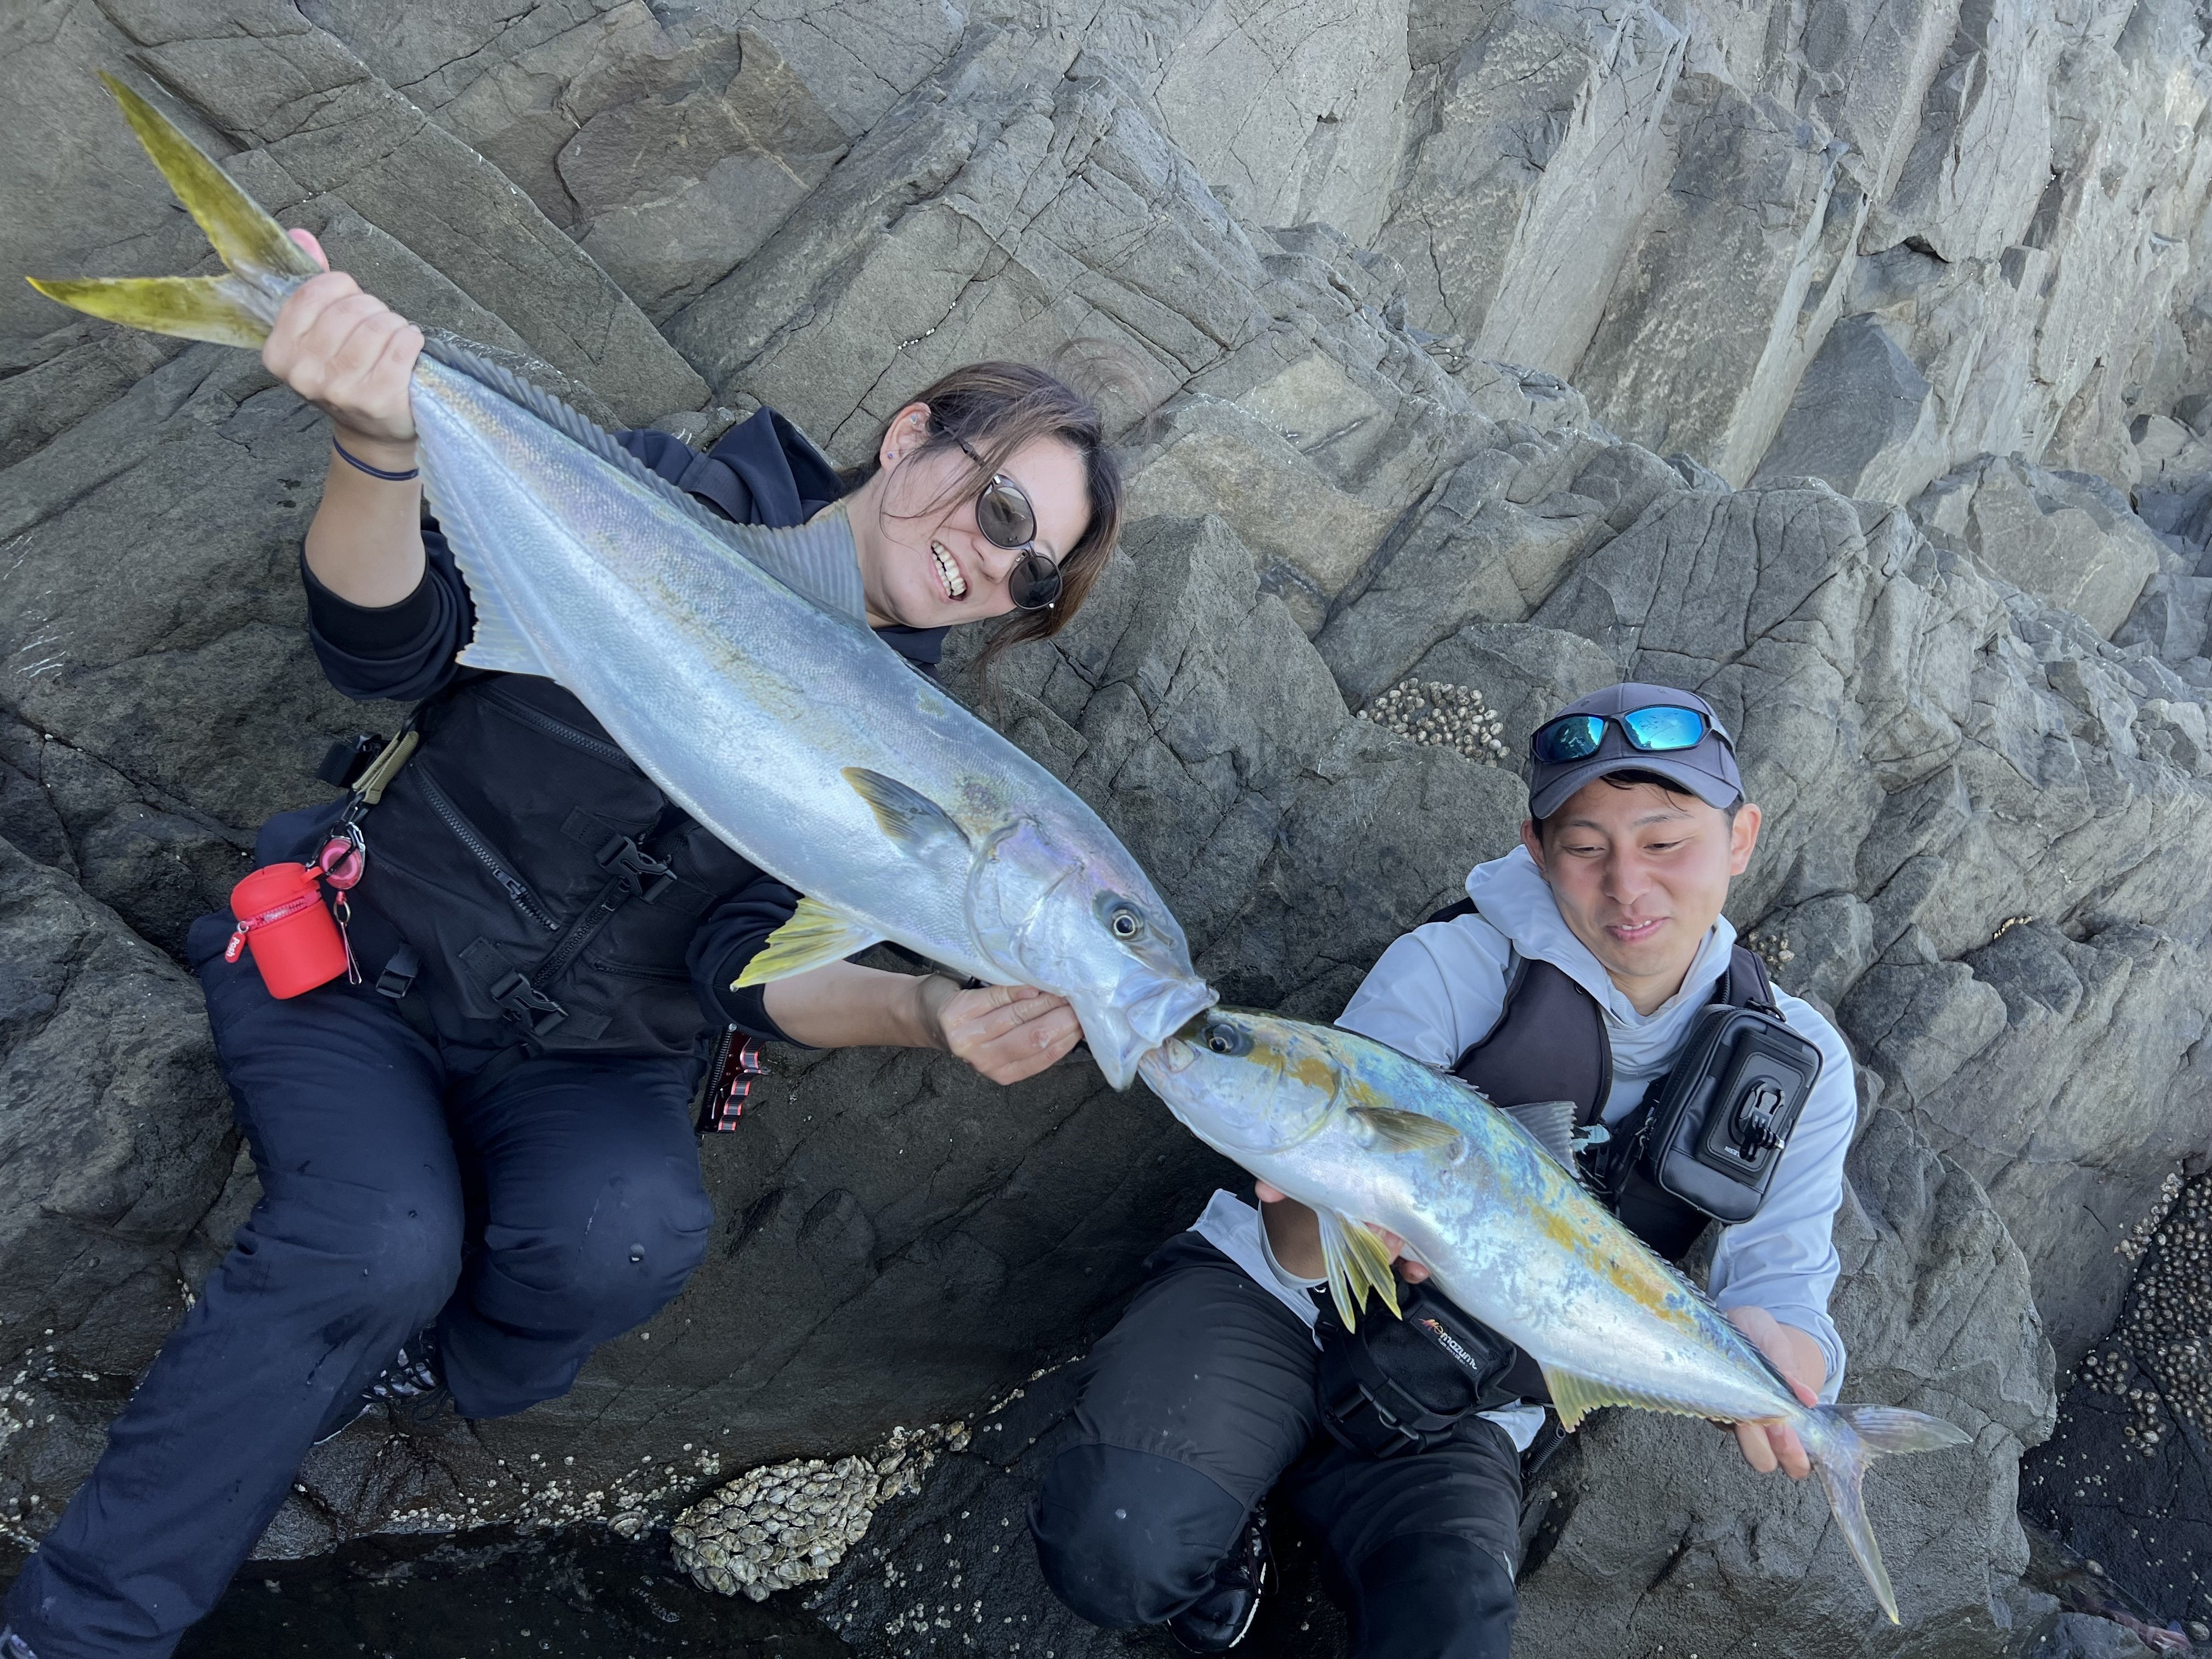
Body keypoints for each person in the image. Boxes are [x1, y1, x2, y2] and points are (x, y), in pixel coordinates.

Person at [2, 238, 1125, 1659]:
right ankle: (75, 1635)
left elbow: (742, 960)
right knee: (376, 1241)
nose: (993, 563)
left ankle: (406, 1372)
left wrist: (929, 1016)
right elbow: (392, 648)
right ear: (913, 436)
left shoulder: (905, 746)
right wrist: (374, 440)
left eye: (1034, 577)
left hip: (595, 1057)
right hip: (365, 965)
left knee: (628, 1236)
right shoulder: (641, 493)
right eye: (1005, 503)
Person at [1028, 682, 1858, 1657]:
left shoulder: (1800, 1063)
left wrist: (1779, 1367)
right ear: (1538, 849)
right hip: (1277, 1306)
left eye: (1666, 842)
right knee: (1116, 1549)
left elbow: (1787, 1293)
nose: (1628, 886)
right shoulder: (1456, 966)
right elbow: (1301, 1245)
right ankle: (1233, 1494)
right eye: (1587, 847)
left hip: (1468, 1390)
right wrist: (1309, 1195)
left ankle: (1269, 1473)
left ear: (1742, 837)